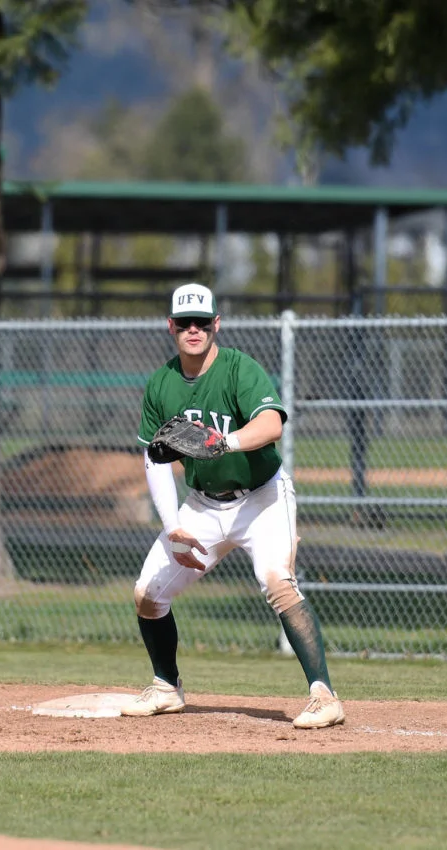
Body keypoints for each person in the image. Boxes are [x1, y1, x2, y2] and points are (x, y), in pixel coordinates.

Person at [125, 283, 344, 729]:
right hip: (202, 505)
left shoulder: (239, 369)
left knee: (276, 581)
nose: (193, 330)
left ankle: (324, 696)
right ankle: (167, 687)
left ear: (216, 324)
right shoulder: (161, 384)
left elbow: (271, 424)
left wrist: (226, 442)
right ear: (170, 326)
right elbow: (155, 457)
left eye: (201, 322)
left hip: (261, 497)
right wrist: (172, 527)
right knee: (147, 595)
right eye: (184, 323)